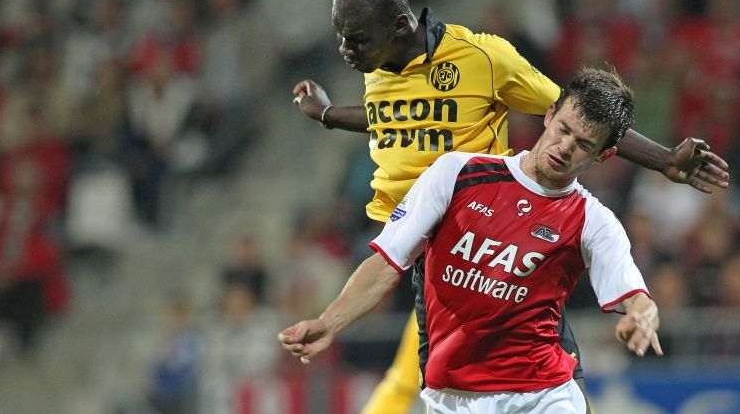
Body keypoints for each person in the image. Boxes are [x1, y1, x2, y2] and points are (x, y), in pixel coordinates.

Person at [291, 0, 728, 414]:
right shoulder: (379, 65)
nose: (346, 50)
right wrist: (328, 115)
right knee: (423, 377)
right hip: (423, 244)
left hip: (491, 226)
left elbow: (580, 117)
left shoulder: (483, 61)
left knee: (505, 362)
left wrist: (664, 160)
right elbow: (390, 117)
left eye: (357, 40)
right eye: (342, 38)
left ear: (399, 26)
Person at [280, 66, 662, 413]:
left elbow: (635, 295)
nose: (564, 147)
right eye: (563, 129)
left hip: (542, 395)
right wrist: (329, 322)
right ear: (549, 115)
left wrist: (643, 317)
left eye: (583, 144)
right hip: (452, 399)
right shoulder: (458, 173)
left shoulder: (593, 220)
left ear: (604, 156)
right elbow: (387, 262)